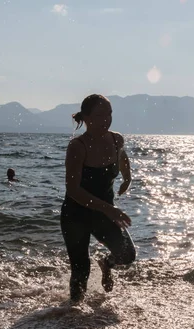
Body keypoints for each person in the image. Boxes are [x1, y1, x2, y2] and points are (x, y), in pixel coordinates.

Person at [61, 94, 136, 302]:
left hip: (104, 213)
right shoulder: (78, 146)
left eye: (109, 114)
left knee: (127, 254)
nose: (106, 120)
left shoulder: (116, 139)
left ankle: (106, 264)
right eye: (100, 115)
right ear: (86, 117)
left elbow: (122, 158)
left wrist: (127, 178)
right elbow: (74, 190)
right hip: (76, 215)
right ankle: (72, 316)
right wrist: (109, 209)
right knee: (80, 271)